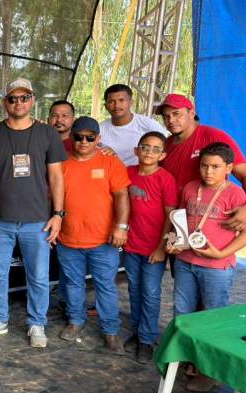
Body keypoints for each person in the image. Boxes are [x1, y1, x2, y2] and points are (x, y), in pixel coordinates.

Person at [0, 78, 66, 349]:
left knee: (38, 276)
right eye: (13, 98)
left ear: (33, 100)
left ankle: (37, 323)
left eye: (24, 97)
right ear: (5, 102)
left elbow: (56, 177)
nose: (18, 103)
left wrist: (58, 214)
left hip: (37, 220)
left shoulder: (47, 134)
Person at [166, 141, 246, 392]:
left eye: (215, 167)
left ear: (229, 168)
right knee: (183, 312)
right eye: (204, 166)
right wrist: (173, 242)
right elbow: (180, 223)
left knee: (212, 316)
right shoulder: (190, 188)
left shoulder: (236, 195)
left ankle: (209, 371)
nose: (208, 172)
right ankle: (187, 358)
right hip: (186, 262)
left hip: (217, 266)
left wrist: (221, 252)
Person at [57, 116, 130, 354]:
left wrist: (121, 227)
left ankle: (110, 330)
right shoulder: (61, 163)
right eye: (78, 137)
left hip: (103, 241)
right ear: (72, 138)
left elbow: (121, 196)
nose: (84, 142)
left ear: (98, 139)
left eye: (90, 137)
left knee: (105, 286)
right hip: (68, 239)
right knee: (73, 284)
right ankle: (75, 321)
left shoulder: (110, 162)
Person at [122, 131, 178, 364]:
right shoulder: (128, 173)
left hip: (153, 248)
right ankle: (137, 331)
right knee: (134, 290)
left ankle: (147, 339)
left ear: (163, 154)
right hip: (132, 245)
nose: (149, 152)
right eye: (145, 147)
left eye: (156, 149)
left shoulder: (165, 178)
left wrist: (161, 247)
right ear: (136, 150)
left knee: (151, 293)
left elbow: (170, 215)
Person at [159, 94, 246, 229]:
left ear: (192, 113)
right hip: (176, 222)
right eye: (166, 116)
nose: (171, 120)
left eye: (177, 114)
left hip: (210, 222)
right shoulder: (167, 144)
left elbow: (243, 174)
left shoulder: (214, 136)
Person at [99, 84, 168, 167]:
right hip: (110, 175)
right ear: (106, 106)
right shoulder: (99, 129)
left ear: (131, 102)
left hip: (140, 176)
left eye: (121, 100)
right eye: (111, 101)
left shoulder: (148, 125)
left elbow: (166, 147)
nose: (116, 105)